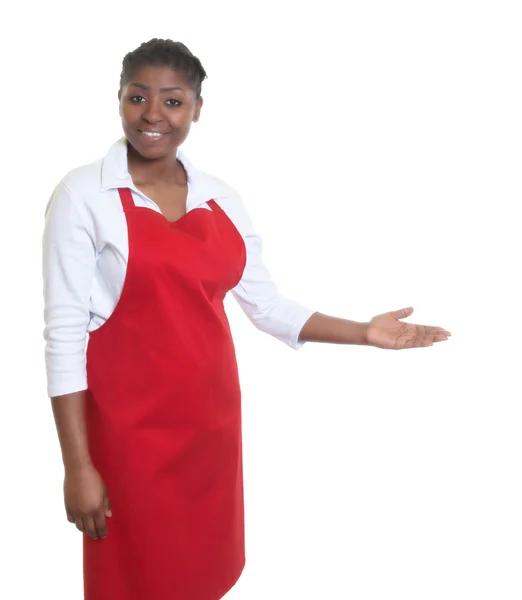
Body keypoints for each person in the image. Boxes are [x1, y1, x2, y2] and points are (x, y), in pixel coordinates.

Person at [42, 38, 451, 600]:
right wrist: (78, 466)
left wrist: (363, 332)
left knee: (201, 573)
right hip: (128, 432)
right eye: (138, 97)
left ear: (197, 109)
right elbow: (63, 336)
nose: (153, 115)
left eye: (173, 101)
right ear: (119, 99)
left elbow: (268, 306)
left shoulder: (221, 199)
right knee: (135, 575)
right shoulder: (83, 194)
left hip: (210, 428)